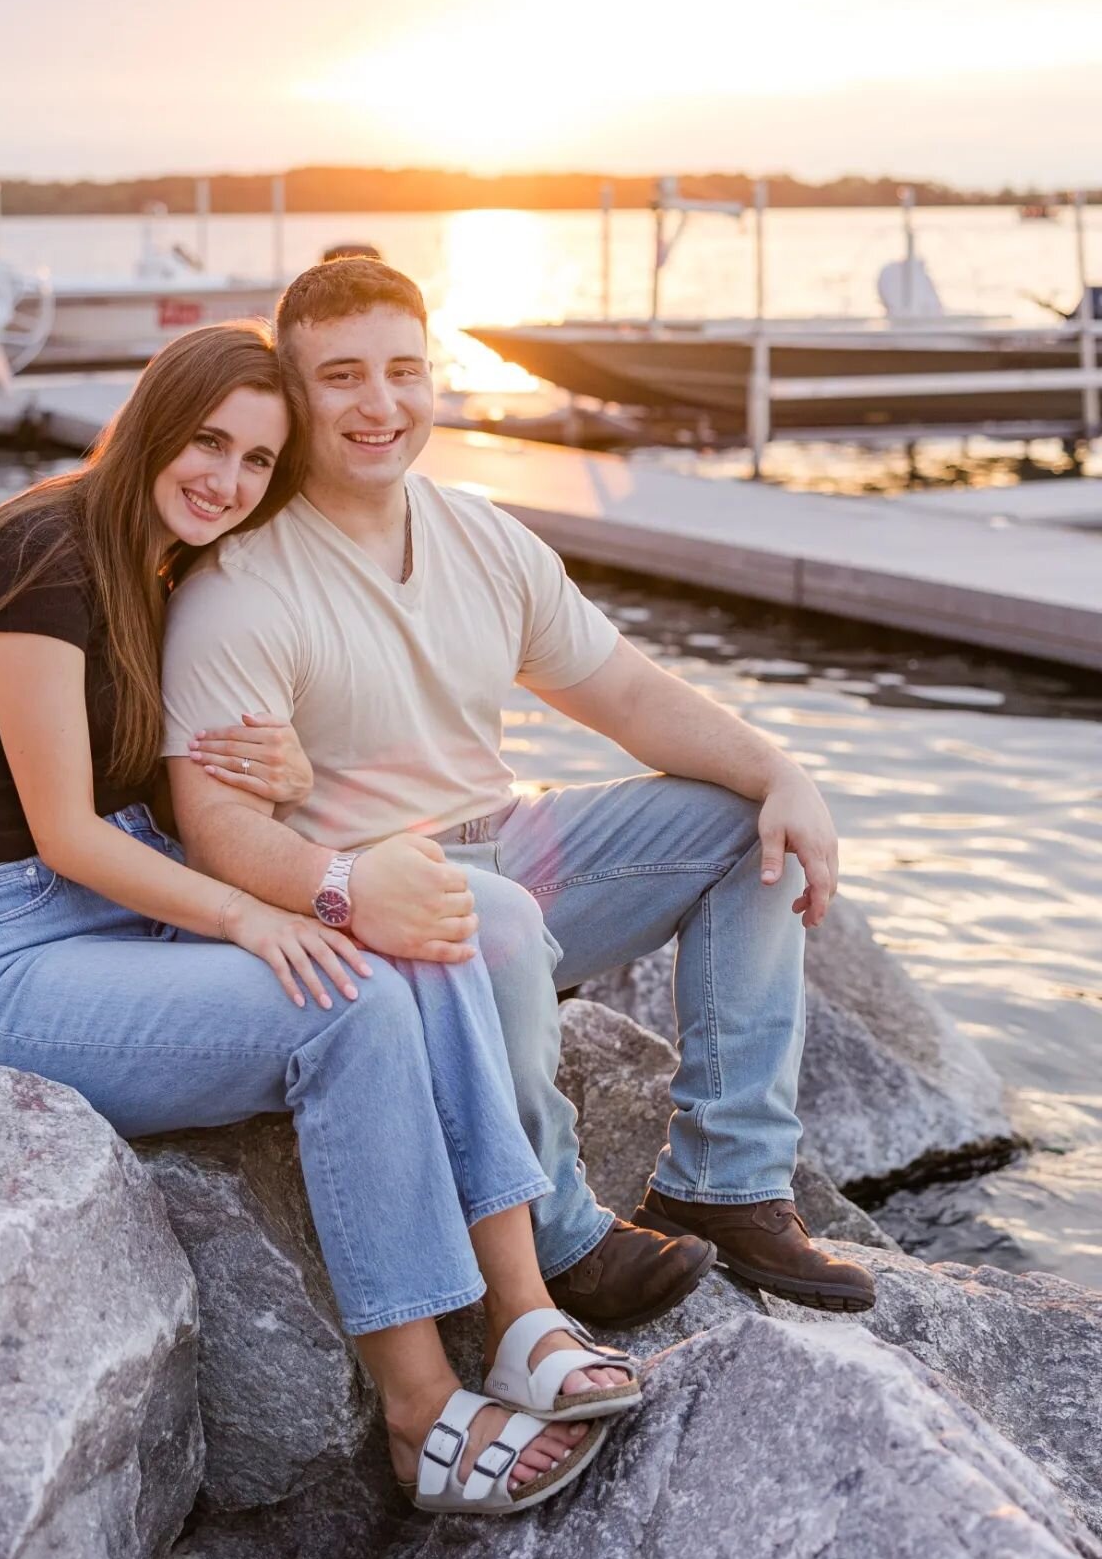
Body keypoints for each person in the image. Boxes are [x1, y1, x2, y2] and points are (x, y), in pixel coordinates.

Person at [0, 319, 645, 1519]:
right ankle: (417, 1413)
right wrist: (250, 921)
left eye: (259, 462)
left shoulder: (170, 574)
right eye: (208, 443)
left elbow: (178, 790)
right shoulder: (41, 550)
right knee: (347, 1006)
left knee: (422, 929)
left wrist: (291, 781)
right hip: (15, 957)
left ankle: (522, 1317)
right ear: (155, 422)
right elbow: (63, 832)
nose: (229, 480)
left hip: (132, 915)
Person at [161, 263, 876, 1319]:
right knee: (486, 912)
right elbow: (217, 832)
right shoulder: (239, 588)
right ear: (292, 391)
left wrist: (783, 773)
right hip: (368, 901)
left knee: (743, 826)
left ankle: (724, 1183)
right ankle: (561, 1237)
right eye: (343, 376)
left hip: (512, 846)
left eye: (405, 371)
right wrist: (349, 885)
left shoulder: (481, 536)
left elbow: (626, 694)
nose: (382, 404)